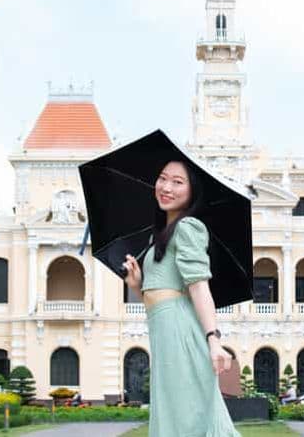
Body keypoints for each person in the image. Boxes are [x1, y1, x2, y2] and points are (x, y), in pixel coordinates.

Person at [123, 160, 240, 436]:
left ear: (192, 191)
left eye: (178, 182)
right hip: (164, 331)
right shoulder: (160, 238)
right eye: (163, 178)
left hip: (181, 334)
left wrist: (214, 339)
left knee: (189, 419)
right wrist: (137, 286)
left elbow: (199, 287)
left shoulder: (188, 227)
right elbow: (162, 296)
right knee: (174, 420)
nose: (166, 187)